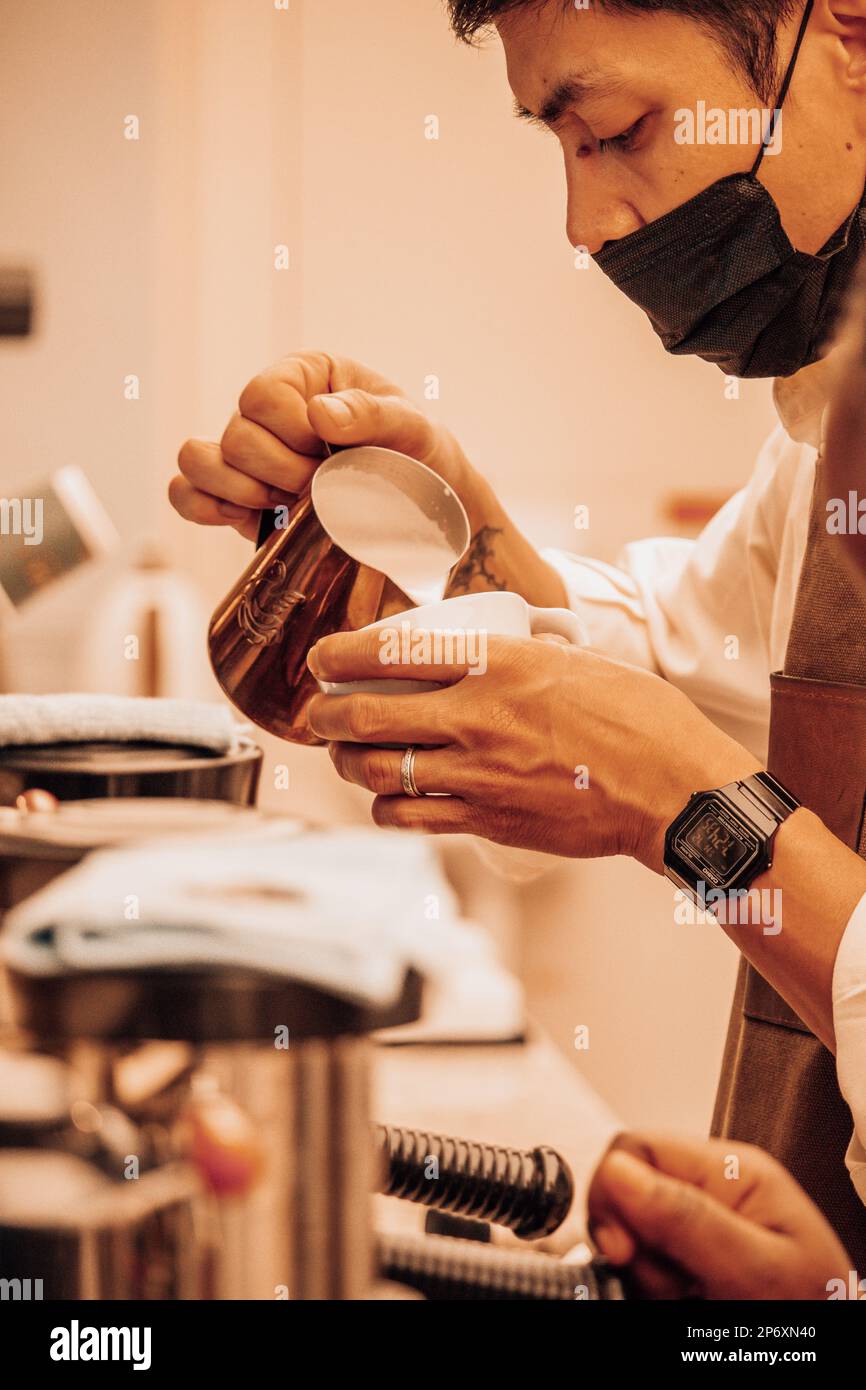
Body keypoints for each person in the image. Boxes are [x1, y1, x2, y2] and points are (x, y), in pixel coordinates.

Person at [169, 0, 866, 1276]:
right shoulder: (834, 426)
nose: (582, 225)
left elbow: (674, 757)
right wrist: (442, 534)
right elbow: (673, 662)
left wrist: (684, 810)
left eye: (616, 130)